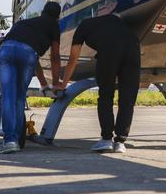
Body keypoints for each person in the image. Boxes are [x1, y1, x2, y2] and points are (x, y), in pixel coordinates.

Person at [57, 13, 140, 153]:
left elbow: (73, 58)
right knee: (128, 98)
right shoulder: (115, 21)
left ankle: (106, 140)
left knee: (106, 94)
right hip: (133, 48)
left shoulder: (83, 26)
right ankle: (120, 142)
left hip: (109, 49)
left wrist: (63, 83)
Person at [0, 1, 62, 154]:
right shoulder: (53, 26)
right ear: (57, 17)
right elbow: (54, 56)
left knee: (8, 97)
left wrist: (44, 83)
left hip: (6, 49)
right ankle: (17, 140)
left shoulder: (24, 23)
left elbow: (32, 56)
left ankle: (11, 141)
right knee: (19, 98)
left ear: (42, 12)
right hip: (28, 54)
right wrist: (56, 83)